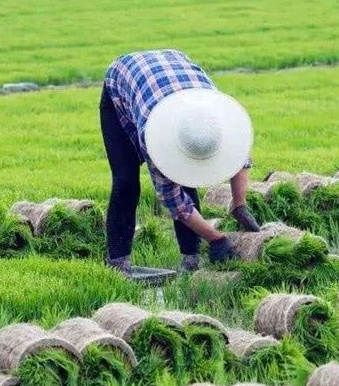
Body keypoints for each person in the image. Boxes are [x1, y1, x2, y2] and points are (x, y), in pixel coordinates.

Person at [100, 49, 261, 275]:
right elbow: (175, 201)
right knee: (126, 182)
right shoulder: (155, 136)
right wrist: (216, 239)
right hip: (124, 80)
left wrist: (239, 204)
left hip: (176, 74)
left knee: (188, 175)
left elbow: (240, 159)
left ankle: (191, 260)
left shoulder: (219, 119)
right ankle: (118, 265)